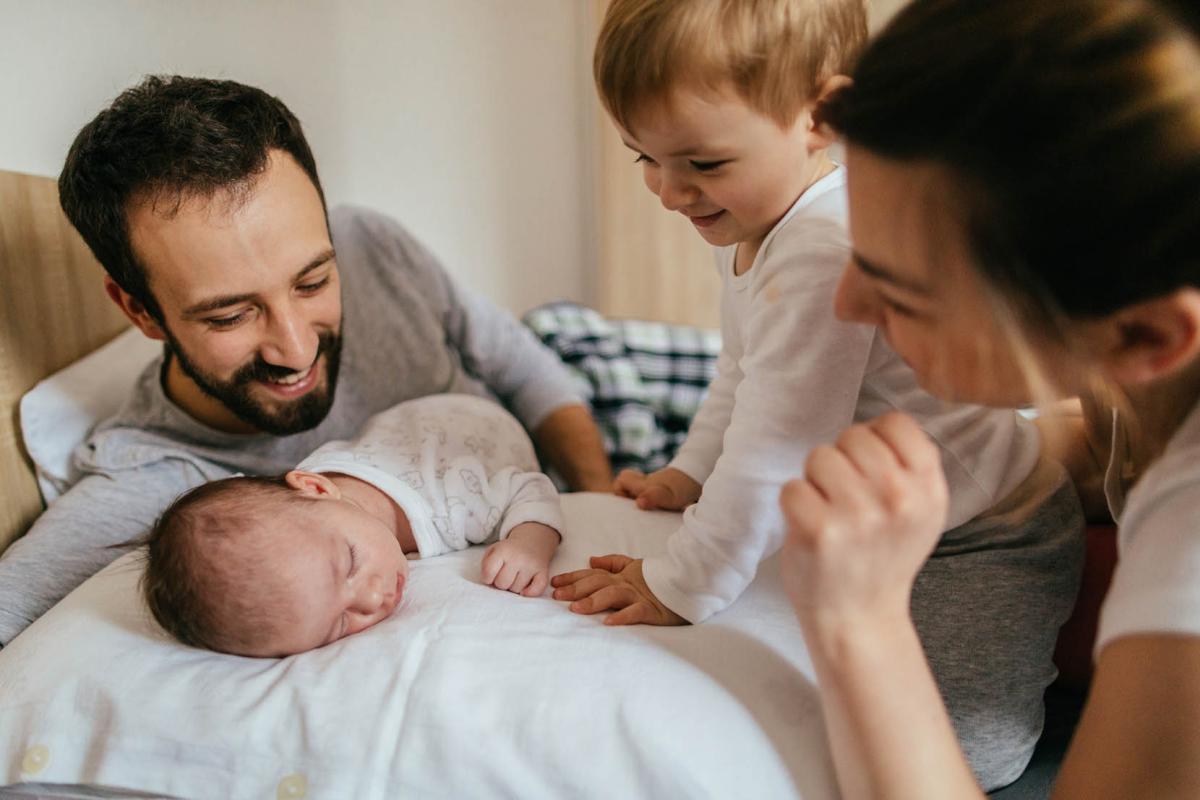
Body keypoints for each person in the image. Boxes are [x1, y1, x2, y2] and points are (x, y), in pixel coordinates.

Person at [551, 0, 1083, 787]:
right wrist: (690, 473)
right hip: (884, 512)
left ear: (817, 119)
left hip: (981, 532)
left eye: (702, 164)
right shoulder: (754, 222)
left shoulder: (819, 248)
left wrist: (681, 582)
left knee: (971, 750)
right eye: (644, 159)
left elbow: (777, 443)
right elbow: (739, 372)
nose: (668, 191)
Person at [0, 75, 611, 648]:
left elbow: (520, 366)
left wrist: (601, 496)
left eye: (312, 281)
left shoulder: (370, 244)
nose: (296, 350)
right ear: (142, 313)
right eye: (229, 316)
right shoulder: (153, 483)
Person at [778, 0, 1200, 796]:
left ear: (1143, 338)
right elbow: (1103, 447)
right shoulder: (1143, 381)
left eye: (906, 294)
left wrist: (858, 620)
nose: (847, 305)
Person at [144, 394, 563, 658]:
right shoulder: (303, 509)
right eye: (341, 623)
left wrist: (529, 544)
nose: (372, 598)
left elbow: (529, 485)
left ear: (314, 484)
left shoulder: (452, 499)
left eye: (349, 564)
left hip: (481, 418)